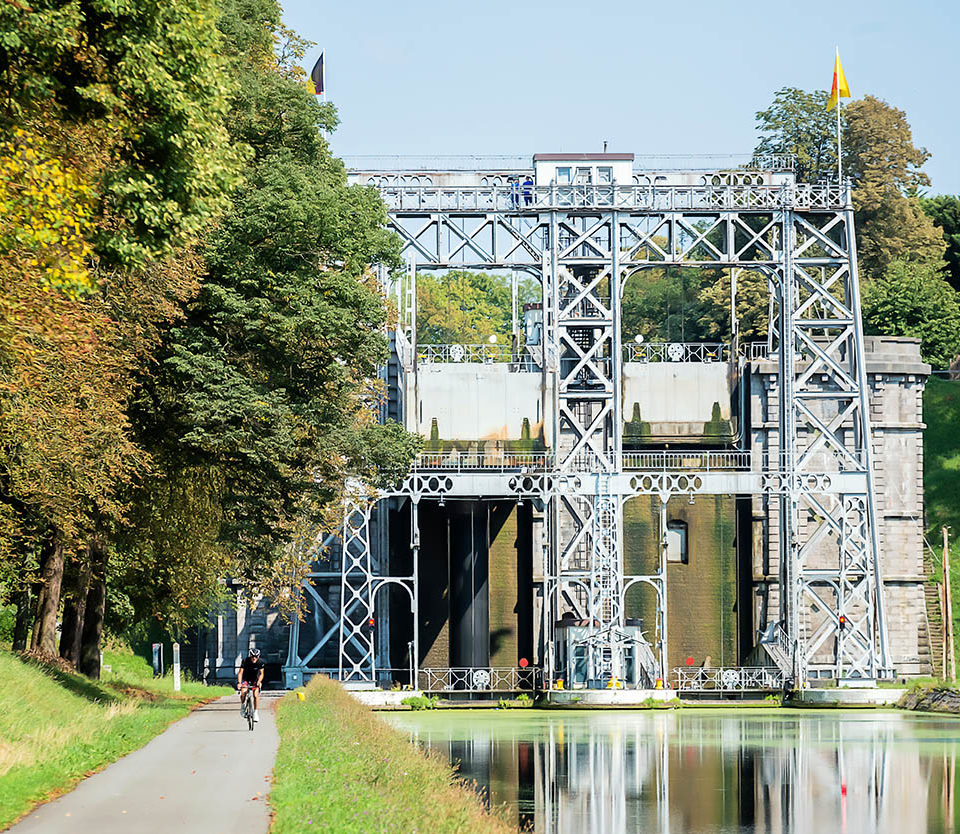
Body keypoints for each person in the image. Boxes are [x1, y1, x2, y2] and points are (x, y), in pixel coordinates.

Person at [237, 647, 265, 722]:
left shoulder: (260, 662)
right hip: (246, 678)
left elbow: (262, 674)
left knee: (255, 695)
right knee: (243, 692)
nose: (254, 658)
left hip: (255, 679)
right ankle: (243, 706)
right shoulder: (245, 661)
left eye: (256, 657)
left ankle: (255, 712)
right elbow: (240, 673)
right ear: (250, 656)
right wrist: (239, 683)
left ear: (258, 656)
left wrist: (259, 682)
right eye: (252, 656)